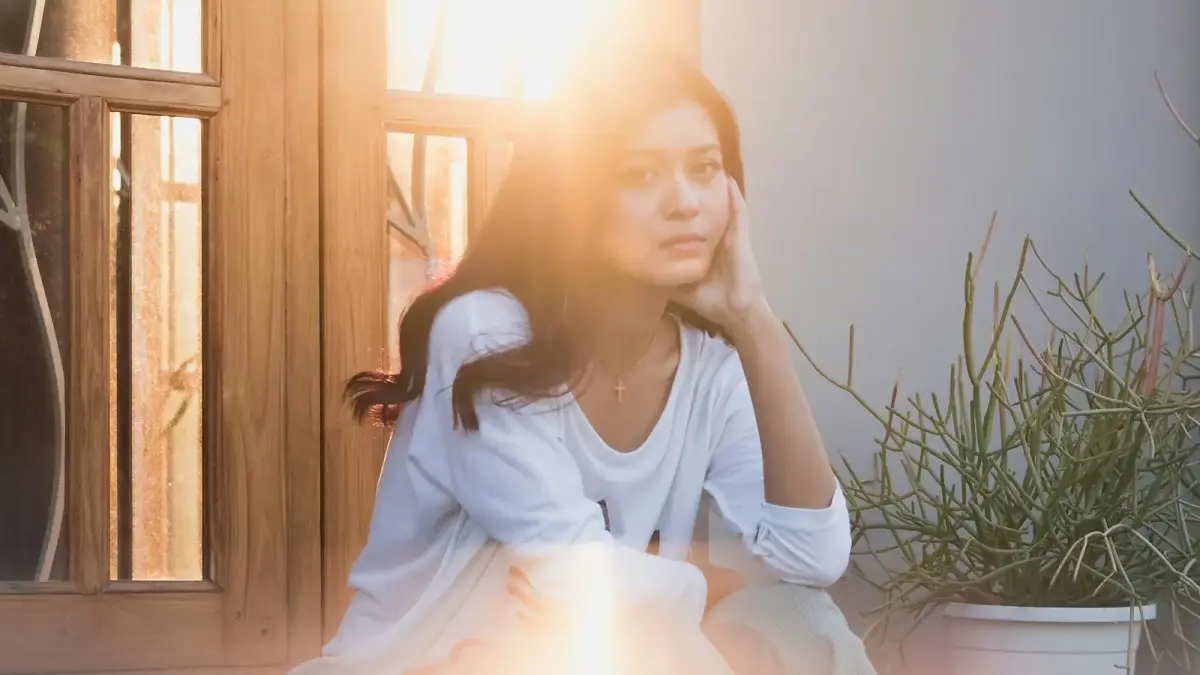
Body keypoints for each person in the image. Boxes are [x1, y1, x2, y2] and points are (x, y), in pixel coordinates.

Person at [295, 44, 851, 675]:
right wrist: (712, 583)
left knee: (799, 620)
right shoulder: (486, 333)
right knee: (655, 628)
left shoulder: (709, 369)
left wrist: (755, 322)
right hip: (424, 666)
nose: (684, 202)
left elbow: (813, 559)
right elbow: (570, 577)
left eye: (704, 169)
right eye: (640, 174)